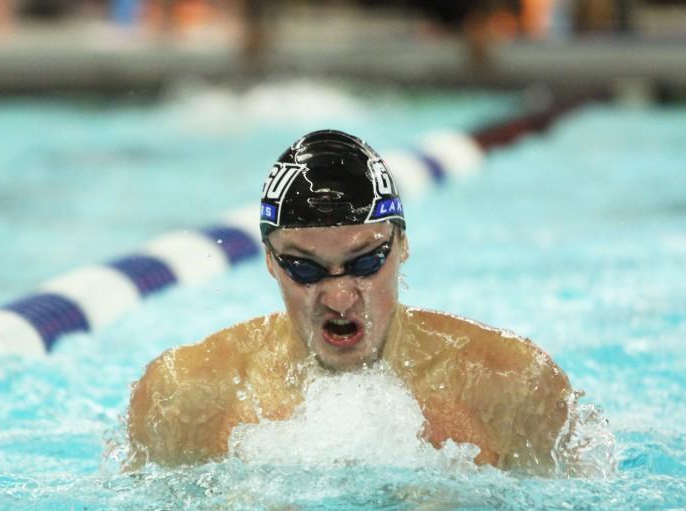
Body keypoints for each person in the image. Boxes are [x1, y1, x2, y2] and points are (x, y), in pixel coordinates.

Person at [127, 129, 574, 473]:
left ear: (402, 245)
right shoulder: (187, 396)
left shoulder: (510, 386)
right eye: (304, 269)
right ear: (268, 261)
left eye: (365, 262)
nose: (339, 298)